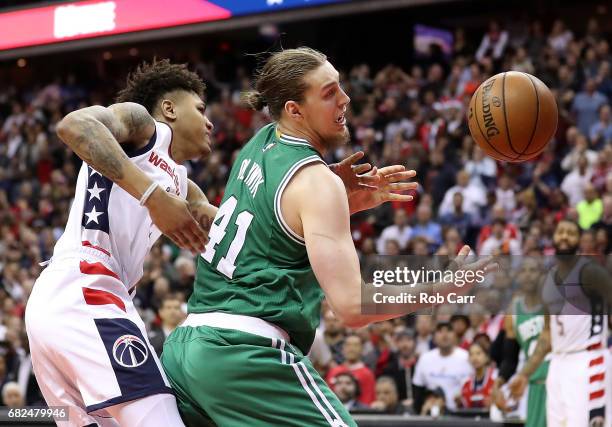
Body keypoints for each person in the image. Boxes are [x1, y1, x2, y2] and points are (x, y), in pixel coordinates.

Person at [161, 47, 494, 427]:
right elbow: (352, 307)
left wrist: (340, 195)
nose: (345, 99)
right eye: (329, 92)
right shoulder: (316, 182)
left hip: (186, 348)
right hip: (242, 355)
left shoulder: (261, 142)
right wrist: (442, 289)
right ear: (294, 110)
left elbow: (271, 225)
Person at [25, 59, 215, 427]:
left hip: (71, 302)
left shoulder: (182, 183)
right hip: (86, 287)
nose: (210, 122)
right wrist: (152, 197)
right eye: (201, 109)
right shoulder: (143, 124)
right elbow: (74, 125)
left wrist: (318, 194)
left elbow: (233, 225)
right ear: (170, 109)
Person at [509, 219, 611, 427]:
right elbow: (547, 335)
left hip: (588, 361)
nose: (564, 236)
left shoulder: (590, 272)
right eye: (560, 232)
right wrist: (524, 374)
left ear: (579, 240)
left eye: (570, 233)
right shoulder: (548, 281)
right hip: (557, 365)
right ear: (553, 237)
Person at [492, 258, 547, 427]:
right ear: (518, 276)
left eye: (533, 270)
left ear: (542, 275)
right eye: (524, 271)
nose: (528, 275)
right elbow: (510, 358)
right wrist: (498, 383)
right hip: (533, 383)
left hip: (559, 376)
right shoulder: (513, 311)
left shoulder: (553, 304)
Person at [412, 322, 473, 414]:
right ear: (433, 337)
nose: (444, 335)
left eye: (449, 330)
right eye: (440, 331)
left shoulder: (467, 357)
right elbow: (418, 389)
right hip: (432, 413)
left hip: (460, 413)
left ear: (455, 335)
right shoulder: (425, 358)